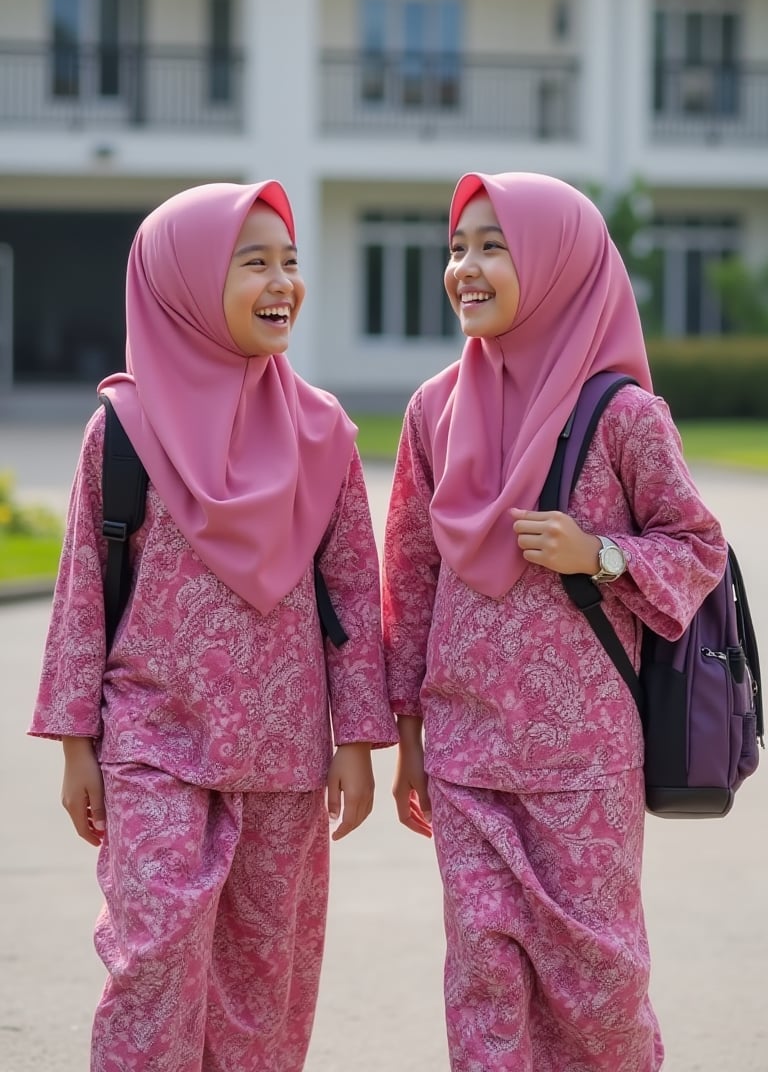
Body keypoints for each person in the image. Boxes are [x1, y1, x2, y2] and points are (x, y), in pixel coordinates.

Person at [30, 180, 398, 1072]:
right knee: (150, 960)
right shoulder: (121, 430)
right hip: (152, 742)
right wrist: (76, 741)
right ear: (184, 283)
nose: (284, 283)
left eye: (291, 263)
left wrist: (357, 739)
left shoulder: (325, 434)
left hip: (284, 754)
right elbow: (83, 588)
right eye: (255, 263)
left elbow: (352, 594)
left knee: (264, 981)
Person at [382, 171, 728, 1071]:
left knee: (598, 989)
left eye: (494, 245)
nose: (466, 266)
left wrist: (599, 554)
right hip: (465, 757)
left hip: (582, 760)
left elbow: (698, 548)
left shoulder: (622, 415)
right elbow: (411, 579)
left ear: (559, 263)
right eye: (458, 247)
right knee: (482, 983)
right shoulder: (433, 411)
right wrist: (409, 734)